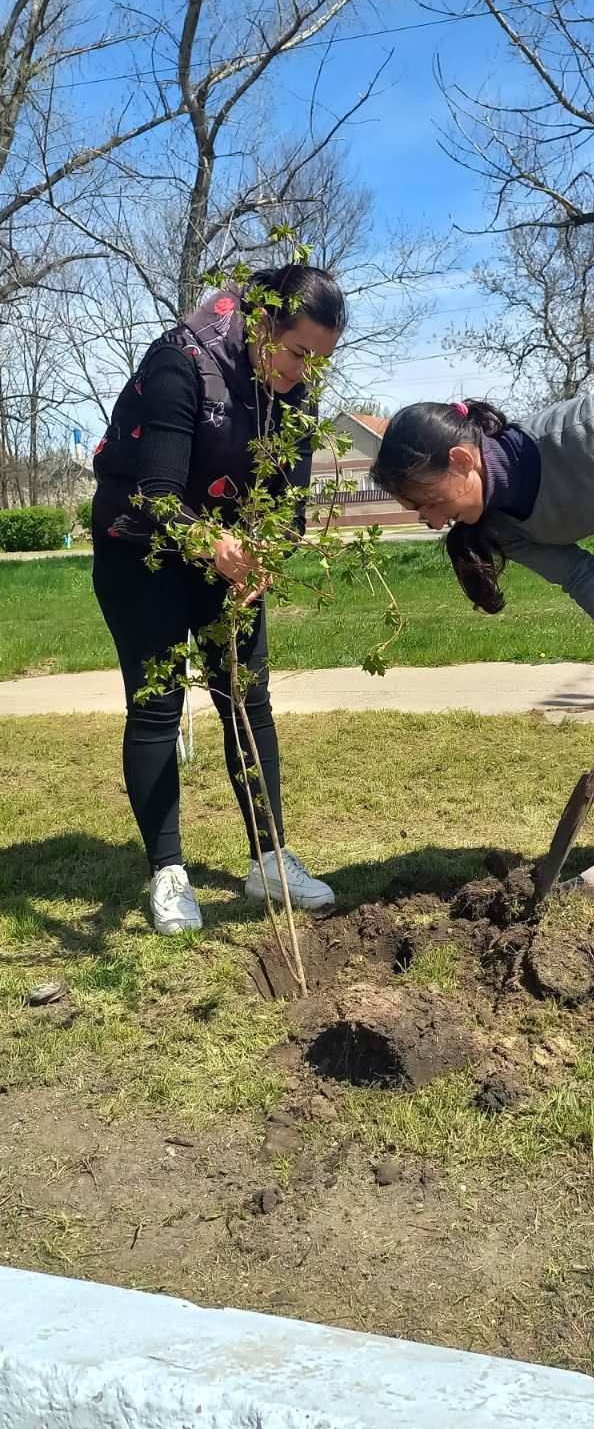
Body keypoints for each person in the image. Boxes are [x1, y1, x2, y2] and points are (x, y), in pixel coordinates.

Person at [372, 333, 594, 947]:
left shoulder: (581, 434)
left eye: (426, 501)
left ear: (461, 461)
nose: (430, 521)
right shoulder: (503, 524)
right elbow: (584, 572)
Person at [92, 264, 346, 933]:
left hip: (226, 560)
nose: (307, 373)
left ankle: (269, 856)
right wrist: (214, 543)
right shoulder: (182, 360)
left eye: (322, 362)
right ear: (263, 326)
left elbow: (287, 505)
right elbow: (156, 493)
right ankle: (169, 871)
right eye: (298, 353)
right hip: (139, 549)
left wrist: (268, 553)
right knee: (157, 702)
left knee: (246, 698)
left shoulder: (296, 390)